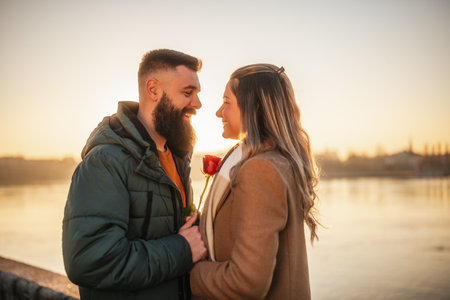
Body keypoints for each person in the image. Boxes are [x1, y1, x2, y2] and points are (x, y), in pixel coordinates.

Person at [62, 49, 207, 300]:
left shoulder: (176, 158)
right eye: (188, 92)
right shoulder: (105, 162)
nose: (197, 104)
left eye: (197, 93)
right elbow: (90, 261)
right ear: (153, 90)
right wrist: (183, 250)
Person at [190, 64, 319, 300]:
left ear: (254, 108)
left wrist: (187, 274)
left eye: (227, 102)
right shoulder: (259, 157)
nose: (219, 112)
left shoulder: (261, 169)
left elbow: (246, 282)